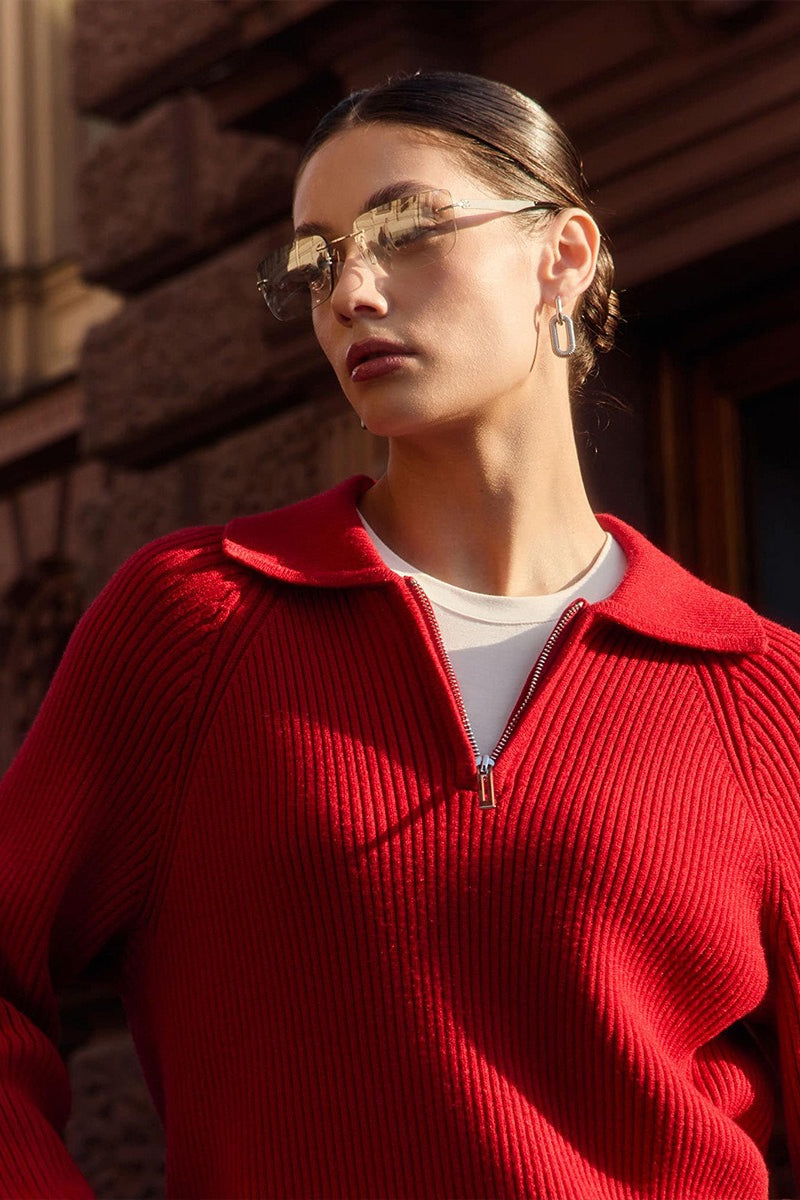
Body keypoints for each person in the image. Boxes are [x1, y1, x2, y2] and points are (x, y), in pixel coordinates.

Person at [0, 69, 798, 1200]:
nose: (351, 292)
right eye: (317, 261)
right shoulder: (197, 621)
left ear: (562, 254)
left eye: (406, 231)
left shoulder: (761, 693)